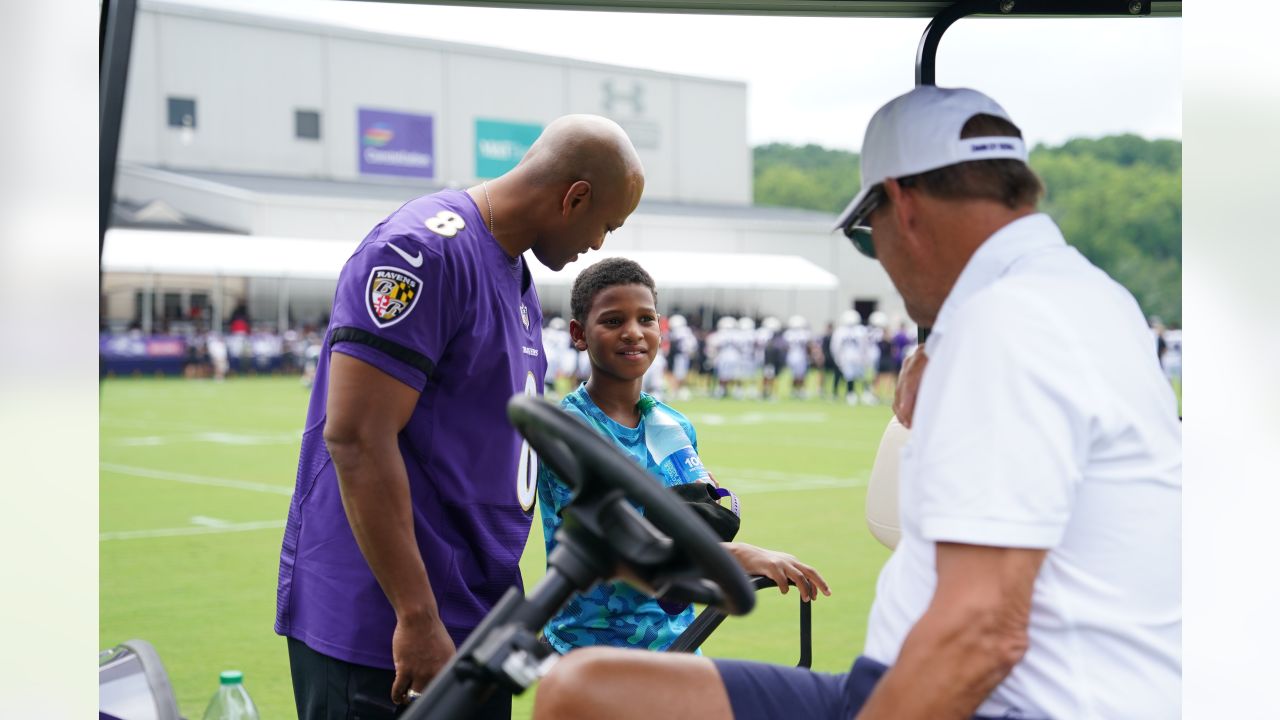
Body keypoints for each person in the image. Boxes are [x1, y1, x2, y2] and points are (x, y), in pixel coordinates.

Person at [532, 86, 1181, 720]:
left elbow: (981, 634)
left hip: (998, 698)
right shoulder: (1093, 299)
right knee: (583, 688)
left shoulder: (1005, 326)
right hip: (1004, 683)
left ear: (901, 204)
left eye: (869, 238)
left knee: (580, 692)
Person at [273, 114, 645, 720]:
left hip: (474, 617)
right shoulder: (422, 250)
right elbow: (357, 437)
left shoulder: (515, 272)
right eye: (605, 223)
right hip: (387, 630)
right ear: (574, 197)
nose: (599, 245)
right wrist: (416, 615)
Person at [536, 257, 830, 654]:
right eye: (612, 321)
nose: (633, 333)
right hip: (590, 652)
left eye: (646, 319)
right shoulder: (567, 430)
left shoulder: (672, 423)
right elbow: (622, 547)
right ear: (579, 333)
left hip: (680, 645)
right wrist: (743, 556)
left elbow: (694, 526)